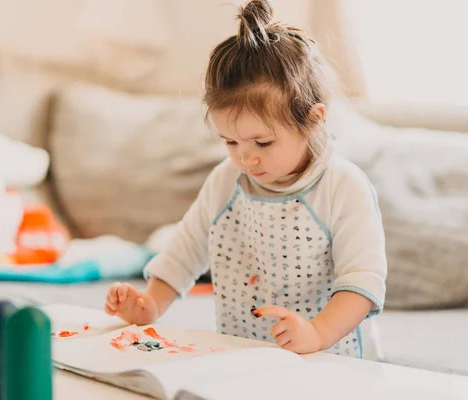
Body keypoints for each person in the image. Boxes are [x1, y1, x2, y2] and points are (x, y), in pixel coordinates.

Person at [104, 0, 387, 359]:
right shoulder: (226, 181)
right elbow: (184, 250)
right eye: (231, 141)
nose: (245, 157)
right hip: (244, 357)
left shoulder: (344, 187)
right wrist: (149, 305)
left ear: (314, 120)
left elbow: (362, 282)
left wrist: (316, 333)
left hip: (333, 360)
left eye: (263, 142)